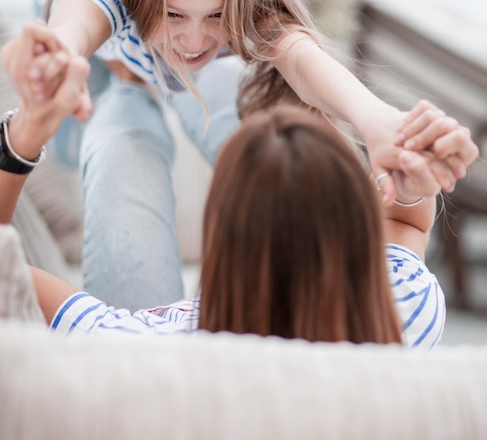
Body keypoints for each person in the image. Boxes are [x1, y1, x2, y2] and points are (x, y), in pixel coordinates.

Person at [14, 0, 473, 311]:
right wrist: (59, 53)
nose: (194, 41)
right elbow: (75, 26)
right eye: (173, 15)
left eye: (214, 16)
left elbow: (302, 59)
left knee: (216, 83)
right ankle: (131, 77)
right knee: (107, 124)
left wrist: (375, 119)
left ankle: (153, 64)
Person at [0, 24, 480, 347]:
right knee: (211, 84)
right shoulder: (404, 313)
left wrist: (27, 133)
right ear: (355, 228)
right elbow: (404, 221)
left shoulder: (144, 348)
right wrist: (412, 182)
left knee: (133, 119)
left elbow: (7, 272)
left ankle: (141, 76)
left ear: (222, 233)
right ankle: (162, 71)